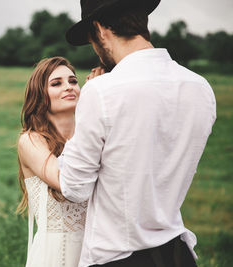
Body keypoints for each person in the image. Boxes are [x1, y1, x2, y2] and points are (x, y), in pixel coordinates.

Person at [56, 0, 217, 266]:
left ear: (101, 30)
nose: (96, 52)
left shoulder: (102, 91)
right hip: (177, 254)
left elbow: (75, 187)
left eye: (92, 41)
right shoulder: (200, 88)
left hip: (119, 256)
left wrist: (83, 115)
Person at [16, 57, 88, 267]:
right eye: (56, 83)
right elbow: (64, 180)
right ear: (40, 96)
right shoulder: (30, 140)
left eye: (73, 81)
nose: (69, 87)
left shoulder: (91, 137)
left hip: (96, 252)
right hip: (56, 256)